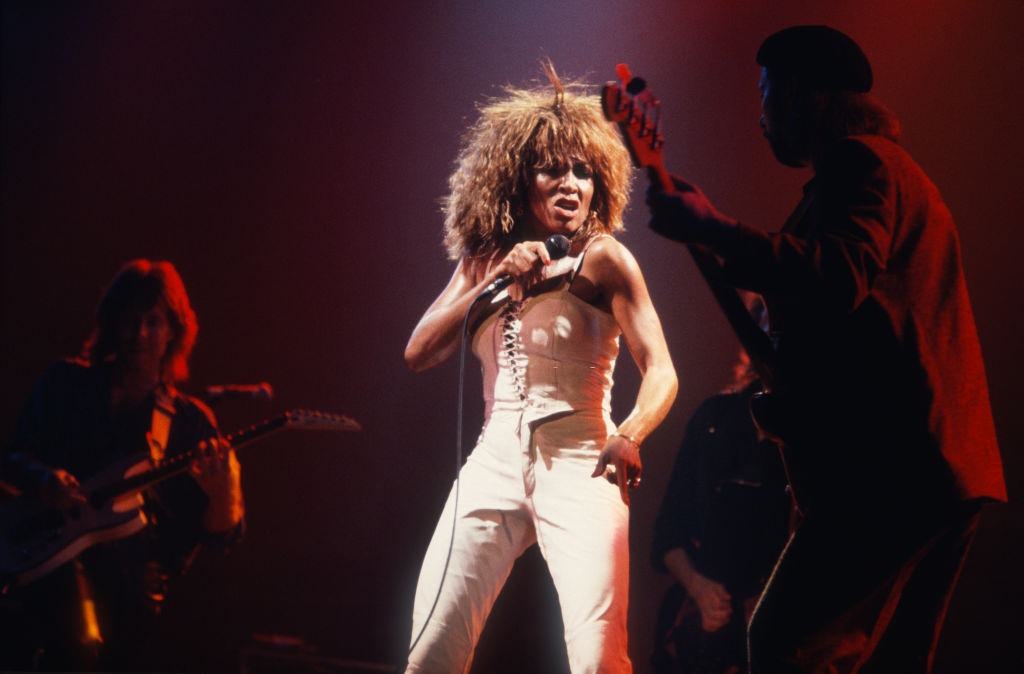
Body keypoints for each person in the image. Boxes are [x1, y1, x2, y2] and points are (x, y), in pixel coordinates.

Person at [646, 25, 1007, 674]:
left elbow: (839, 273)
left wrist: (719, 230)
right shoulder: (885, 174)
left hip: (893, 469)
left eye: (765, 95)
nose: (759, 119)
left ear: (804, 96)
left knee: (784, 639)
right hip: (936, 468)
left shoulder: (861, 163)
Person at [403, 63, 678, 674]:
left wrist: (629, 435)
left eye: (583, 171)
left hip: (583, 461)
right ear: (517, 178)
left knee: (598, 657)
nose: (571, 183)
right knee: (431, 653)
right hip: (493, 460)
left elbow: (661, 368)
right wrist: (496, 276)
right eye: (554, 167)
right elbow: (419, 352)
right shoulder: (483, 262)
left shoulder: (605, 258)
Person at [1, 259, 245, 671]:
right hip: (40, 588)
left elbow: (223, 536)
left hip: (133, 615)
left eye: (154, 321)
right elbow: (12, 459)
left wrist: (226, 490)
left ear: (174, 331)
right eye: (130, 320)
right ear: (111, 322)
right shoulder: (64, 383)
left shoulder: (190, 423)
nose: (140, 334)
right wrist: (45, 481)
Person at [650, 310, 790, 674]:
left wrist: (770, 603)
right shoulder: (714, 418)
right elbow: (668, 532)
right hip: (698, 628)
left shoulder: (813, 434)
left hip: (772, 628)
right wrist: (699, 588)